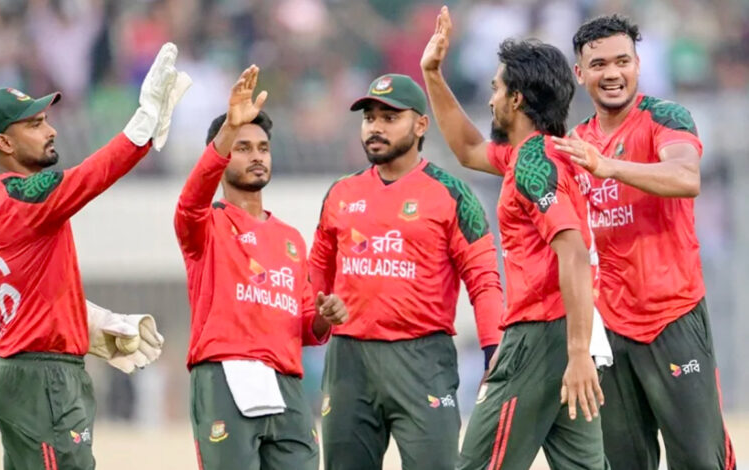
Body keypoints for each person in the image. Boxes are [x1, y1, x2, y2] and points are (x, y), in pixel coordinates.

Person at [0, 43, 184, 469]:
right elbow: (89, 178)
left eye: (46, 120)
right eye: (34, 124)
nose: (50, 130)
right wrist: (141, 126)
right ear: (4, 142)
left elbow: (33, 294)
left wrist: (88, 321)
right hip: (43, 376)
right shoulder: (22, 196)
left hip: (31, 371)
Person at [421, 7, 609, 469]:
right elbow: (468, 149)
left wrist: (577, 353)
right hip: (567, 333)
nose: (491, 101)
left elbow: (573, 251)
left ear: (517, 98)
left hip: (541, 337)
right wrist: (433, 74)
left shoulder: (533, 164)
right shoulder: (539, 154)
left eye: (496, 89)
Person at [551, 14, 735, 470]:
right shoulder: (576, 143)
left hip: (672, 317)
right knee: (624, 462)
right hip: (609, 328)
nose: (612, 73)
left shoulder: (664, 117)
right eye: (598, 65)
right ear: (580, 73)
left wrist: (608, 167)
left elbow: (686, 177)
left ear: (637, 65)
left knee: (700, 461)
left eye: (622, 61)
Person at [309, 69, 504, 469]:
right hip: (349, 361)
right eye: (369, 118)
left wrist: (493, 352)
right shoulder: (341, 193)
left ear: (420, 125)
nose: (375, 128)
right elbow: (317, 271)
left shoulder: (453, 193)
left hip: (422, 360)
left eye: (389, 117)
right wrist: (315, 322)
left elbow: (484, 279)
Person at [174, 65, 348, 470]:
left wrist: (325, 317)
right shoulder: (205, 224)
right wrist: (227, 130)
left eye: (263, 148)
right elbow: (190, 201)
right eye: (243, 147)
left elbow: (305, 325)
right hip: (225, 373)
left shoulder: (291, 238)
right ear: (221, 157)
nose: (256, 156)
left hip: (286, 382)